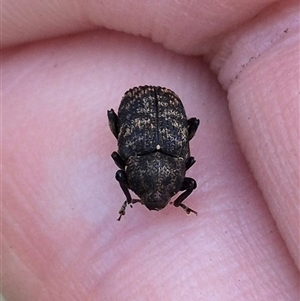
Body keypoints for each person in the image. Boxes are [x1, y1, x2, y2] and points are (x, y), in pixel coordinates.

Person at [2, 0, 299, 300]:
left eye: (162, 196)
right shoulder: (159, 165)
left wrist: (129, 199)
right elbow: (140, 172)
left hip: (150, 110)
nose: (156, 203)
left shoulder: (144, 164)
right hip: (157, 109)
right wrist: (154, 198)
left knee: (141, 131)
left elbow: (128, 171)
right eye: (159, 197)